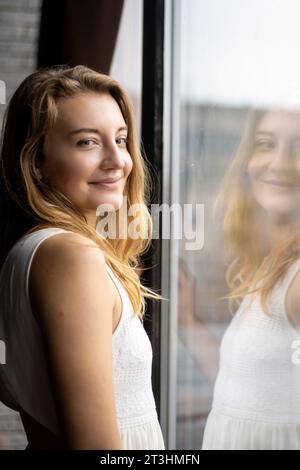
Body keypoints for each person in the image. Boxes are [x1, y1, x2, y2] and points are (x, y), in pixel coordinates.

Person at [0, 65, 165, 450]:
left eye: (121, 140)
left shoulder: (29, 253)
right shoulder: (69, 256)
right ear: (36, 161)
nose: (116, 160)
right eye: (87, 142)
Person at [202, 107, 300, 450]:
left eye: (299, 147)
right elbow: (252, 387)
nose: (280, 162)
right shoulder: (274, 266)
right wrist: (186, 321)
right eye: (265, 143)